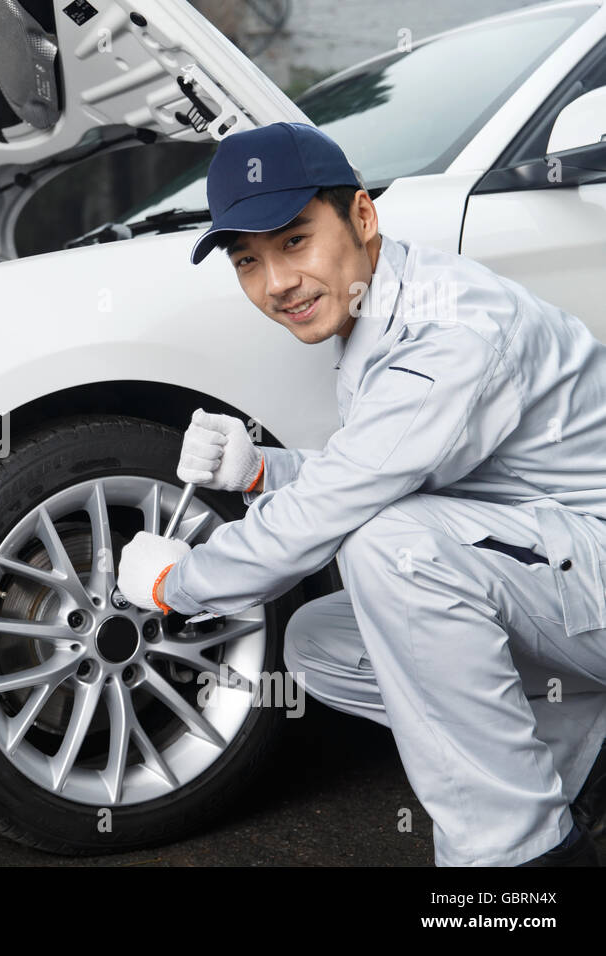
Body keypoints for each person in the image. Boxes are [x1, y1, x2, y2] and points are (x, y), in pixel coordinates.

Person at [117, 121, 606, 867]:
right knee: (322, 643)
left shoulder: (452, 329)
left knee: (396, 552)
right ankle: (582, 745)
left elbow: (345, 508)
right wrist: (262, 472)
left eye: (293, 241)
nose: (276, 283)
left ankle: (519, 862)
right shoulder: (388, 306)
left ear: (363, 217)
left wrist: (174, 583)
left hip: (589, 566)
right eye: (247, 260)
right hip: (560, 574)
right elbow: (390, 469)